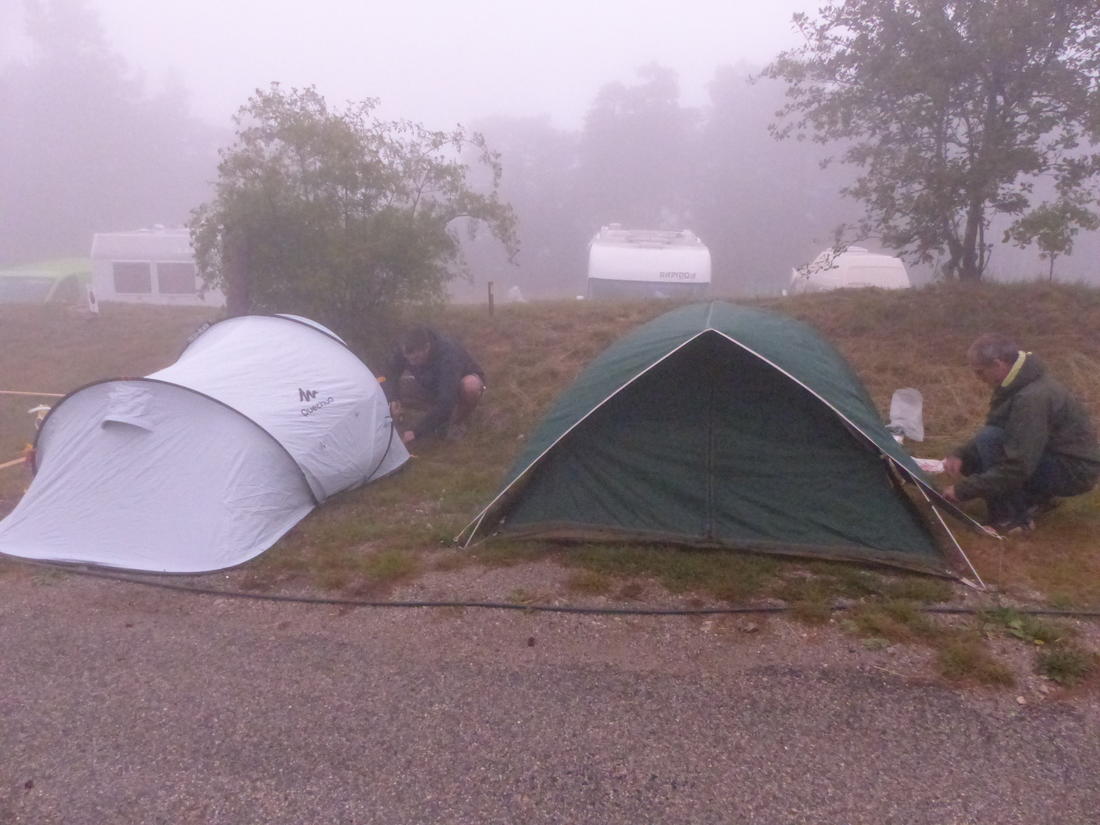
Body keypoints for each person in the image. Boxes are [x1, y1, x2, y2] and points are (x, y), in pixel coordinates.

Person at [941, 332, 1100, 532]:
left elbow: (1019, 465)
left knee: (989, 440)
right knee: (974, 457)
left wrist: (963, 491)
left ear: (998, 364)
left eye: (980, 372)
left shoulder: (1032, 398)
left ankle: (1011, 519)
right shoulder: (1016, 383)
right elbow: (998, 425)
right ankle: (1033, 500)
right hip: (1055, 456)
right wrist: (961, 453)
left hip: (1074, 471)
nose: (977, 378)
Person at [381, 326, 485, 445]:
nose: (411, 363)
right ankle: (436, 416)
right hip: (430, 384)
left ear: (427, 347)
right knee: (388, 386)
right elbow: (391, 373)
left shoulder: (448, 355)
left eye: (416, 358)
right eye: (408, 359)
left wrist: (416, 432)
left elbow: (447, 400)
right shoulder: (406, 348)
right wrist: (394, 398)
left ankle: (457, 421)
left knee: (470, 387)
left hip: (455, 386)